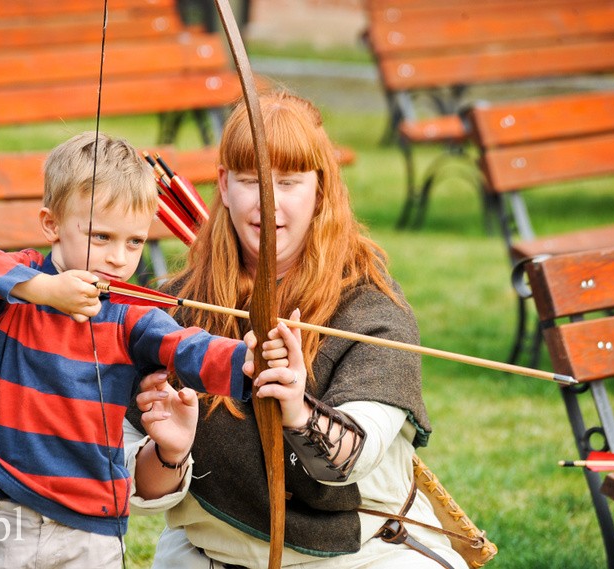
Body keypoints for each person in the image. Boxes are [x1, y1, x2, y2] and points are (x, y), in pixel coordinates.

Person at [124, 92, 469, 568]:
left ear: (320, 189)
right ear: (223, 185)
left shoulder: (371, 306)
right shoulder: (175, 310)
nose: (269, 202)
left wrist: (297, 410)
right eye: (251, 180)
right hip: (212, 554)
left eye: (288, 182)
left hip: (364, 556)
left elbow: (352, 459)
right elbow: (136, 484)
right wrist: (170, 451)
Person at [0, 131, 297, 569]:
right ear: (52, 224)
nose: (119, 259)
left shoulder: (130, 313)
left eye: (135, 242)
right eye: (101, 236)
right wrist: (43, 290)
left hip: (90, 522)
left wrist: (247, 360)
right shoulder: (17, 287)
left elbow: (187, 347)